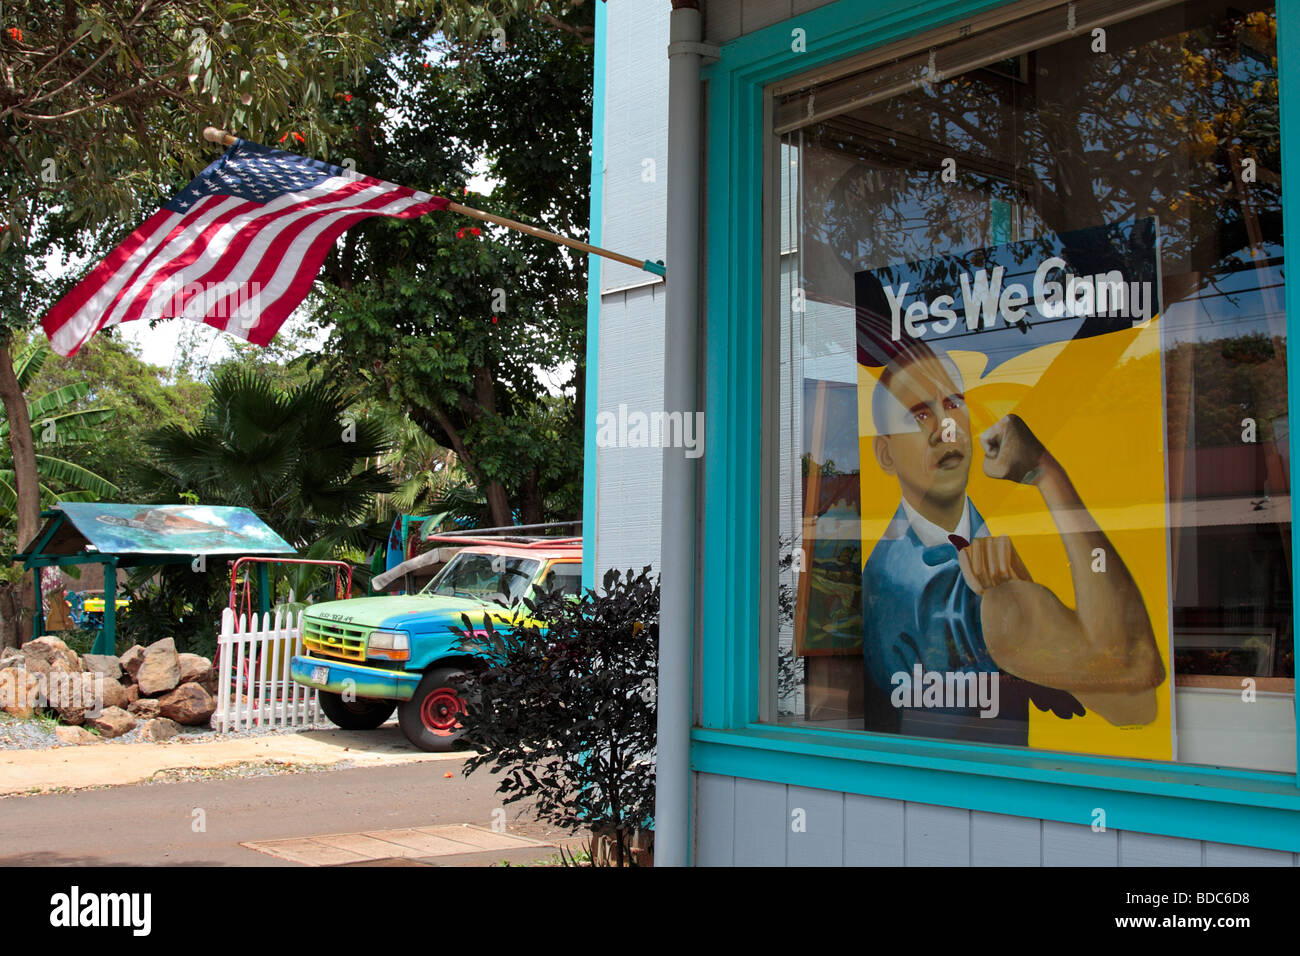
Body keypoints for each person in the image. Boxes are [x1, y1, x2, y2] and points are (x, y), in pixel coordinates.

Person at [861, 347, 1164, 744]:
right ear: (885, 454)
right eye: (920, 414)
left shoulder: (987, 533)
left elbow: (1132, 704)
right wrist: (1046, 473)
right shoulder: (916, 587)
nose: (946, 428)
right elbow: (1133, 685)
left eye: (953, 404)